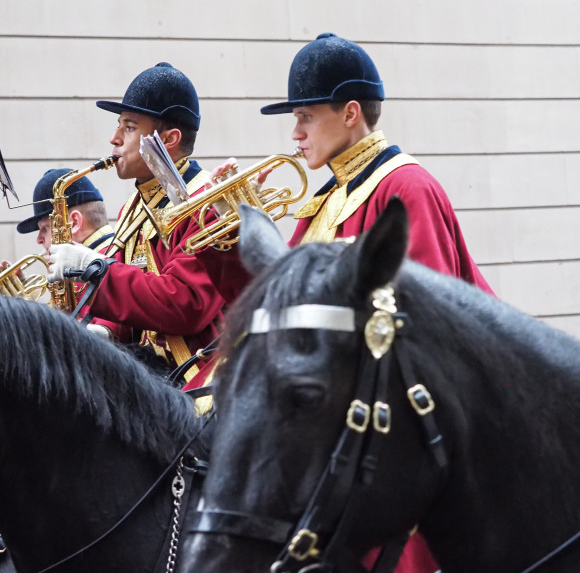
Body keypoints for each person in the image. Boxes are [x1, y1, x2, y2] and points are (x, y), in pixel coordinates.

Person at [260, 32, 496, 573]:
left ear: (349, 114)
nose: (294, 134)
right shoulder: (327, 196)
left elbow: (426, 341)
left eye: (304, 116)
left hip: (409, 433)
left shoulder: (405, 187)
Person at [46, 62, 250, 377]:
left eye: (128, 127)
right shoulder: (135, 205)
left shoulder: (205, 201)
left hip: (202, 378)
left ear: (168, 139)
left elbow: (186, 306)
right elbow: (130, 295)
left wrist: (97, 271)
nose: (114, 138)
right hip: (151, 374)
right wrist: (103, 331)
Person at [16, 169, 114, 256]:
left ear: (74, 223)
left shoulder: (103, 264)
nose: (39, 240)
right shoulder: (107, 258)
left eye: (45, 228)